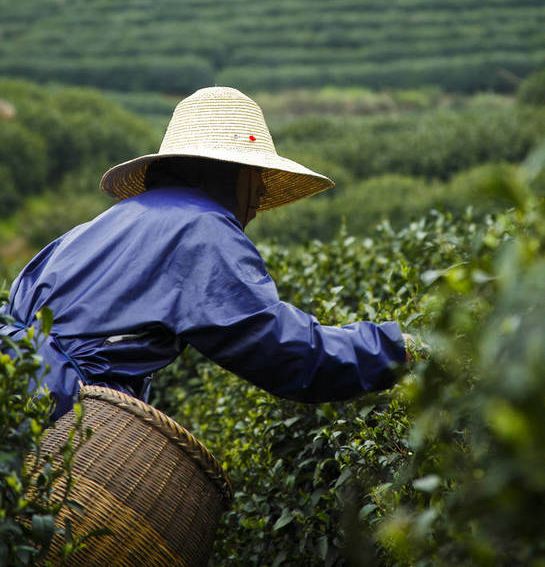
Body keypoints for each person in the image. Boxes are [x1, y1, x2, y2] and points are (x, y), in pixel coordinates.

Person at [1, 87, 410, 422]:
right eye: (258, 177)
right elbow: (285, 350)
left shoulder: (93, 230)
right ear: (233, 174)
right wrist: (394, 347)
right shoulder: (201, 230)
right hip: (57, 416)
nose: (263, 194)